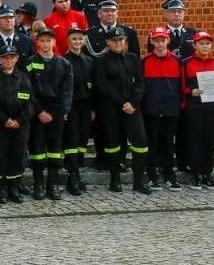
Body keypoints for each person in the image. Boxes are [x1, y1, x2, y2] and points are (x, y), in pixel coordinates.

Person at [96, 27, 152, 195]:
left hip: (132, 108)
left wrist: (133, 103)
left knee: (141, 142)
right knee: (113, 144)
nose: (118, 43)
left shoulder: (133, 59)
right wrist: (122, 103)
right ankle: (114, 180)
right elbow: (102, 85)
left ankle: (138, 180)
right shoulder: (101, 61)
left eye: (121, 40)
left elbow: (141, 83)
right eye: (114, 40)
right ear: (108, 42)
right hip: (111, 108)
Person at [22, 25, 74, 200]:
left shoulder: (64, 64)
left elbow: (67, 92)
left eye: (48, 40)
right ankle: (38, 185)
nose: (45, 43)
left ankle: (53, 185)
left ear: (54, 42)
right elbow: (29, 90)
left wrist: (55, 112)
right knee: (37, 150)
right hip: (37, 114)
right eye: (42, 40)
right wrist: (39, 111)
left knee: (55, 150)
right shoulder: (30, 63)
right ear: (37, 42)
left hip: (56, 115)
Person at [0, 43, 33, 204]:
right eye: (5, 58)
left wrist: (19, 120)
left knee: (17, 156)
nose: (8, 60)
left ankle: (14, 188)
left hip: (20, 126)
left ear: (16, 59)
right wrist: (4, 119)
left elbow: (29, 101)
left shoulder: (23, 77)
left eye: (12, 57)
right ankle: (0, 189)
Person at [181, 31, 214, 188]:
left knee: (209, 142)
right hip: (194, 109)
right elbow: (180, 86)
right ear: (195, 45)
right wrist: (190, 92)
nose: (205, 46)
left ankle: (207, 174)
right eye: (201, 43)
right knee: (195, 141)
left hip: (213, 109)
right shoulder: (186, 63)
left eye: (207, 43)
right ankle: (196, 175)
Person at [142, 26, 184, 189]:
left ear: (168, 40)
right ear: (152, 41)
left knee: (167, 144)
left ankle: (169, 175)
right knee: (152, 144)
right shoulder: (145, 61)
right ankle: (152, 176)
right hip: (151, 110)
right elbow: (141, 86)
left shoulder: (177, 61)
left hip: (170, 111)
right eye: (157, 41)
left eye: (163, 40)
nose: (160, 44)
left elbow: (182, 86)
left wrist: (180, 106)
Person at [60, 27, 94, 195]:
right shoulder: (63, 61)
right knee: (71, 142)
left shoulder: (89, 61)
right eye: (74, 39)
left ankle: (77, 172)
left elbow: (94, 87)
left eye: (80, 39)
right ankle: (72, 175)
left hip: (86, 107)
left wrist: (93, 108)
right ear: (68, 41)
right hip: (70, 107)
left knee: (82, 141)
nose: (77, 42)